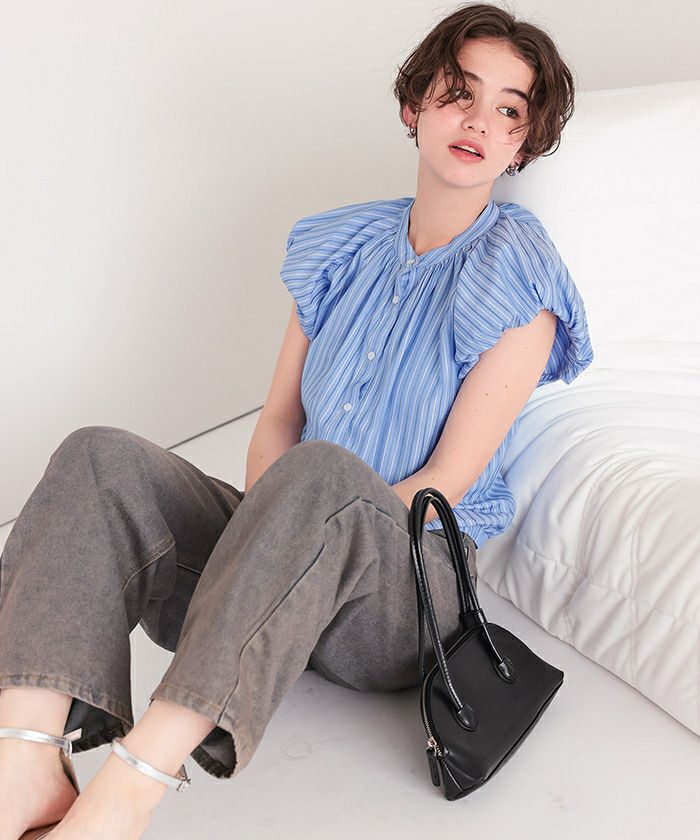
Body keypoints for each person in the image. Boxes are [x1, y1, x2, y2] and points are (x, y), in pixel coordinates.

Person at [0, 3, 593, 838]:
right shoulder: (339, 245)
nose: (477, 121)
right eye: (459, 92)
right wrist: (262, 547)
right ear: (413, 105)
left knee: (322, 474)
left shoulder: (520, 273)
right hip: (284, 560)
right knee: (98, 455)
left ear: (523, 145)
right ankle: (24, 763)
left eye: (508, 110)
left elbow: (445, 483)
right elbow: (277, 419)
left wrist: (291, 537)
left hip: (400, 593)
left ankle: (132, 786)